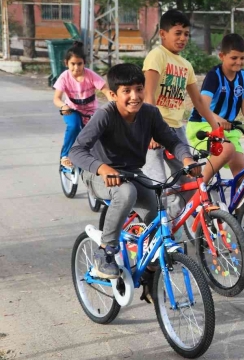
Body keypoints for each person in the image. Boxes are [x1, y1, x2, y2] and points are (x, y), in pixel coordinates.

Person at [69, 63, 200, 283]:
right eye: (126, 91)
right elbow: (76, 151)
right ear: (112, 94)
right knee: (126, 193)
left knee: (158, 213)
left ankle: (149, 276)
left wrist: (187, 158)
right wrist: (102, 168)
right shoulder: (105, 115)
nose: (135, 96)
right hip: (98, 173)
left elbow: (172, 141)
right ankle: (106, 251)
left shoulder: (150, 113)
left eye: (139, 89)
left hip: (131, 172)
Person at [141, 9, 219, 217]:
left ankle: (170, 230)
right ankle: (148, 235)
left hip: (176, 131)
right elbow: (148, 95)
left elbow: (199, 101)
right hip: (154, 129)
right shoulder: (157, 56)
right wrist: (149, 131)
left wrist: (215, 126)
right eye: (178, 33)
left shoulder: (186, 65)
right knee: (156, 187)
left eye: (186, 33)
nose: (183, 38)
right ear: (163, 34)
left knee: (191, 183)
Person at [186, 33, 244, 184]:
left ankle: (240, 207)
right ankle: (198, 187)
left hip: (227, 128)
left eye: (242, 58)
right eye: (234, 58)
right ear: (222, 56)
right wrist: (219, 120)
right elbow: (202, 108)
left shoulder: (243, 77)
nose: (239, 62)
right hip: (203, 125)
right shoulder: (214, 76)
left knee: (241, 175)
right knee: (226, 149)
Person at [52, 41, 111, 169]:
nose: (76, 68)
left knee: (100, 132)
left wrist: (113, 104)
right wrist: (63, 106)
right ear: (66, 63)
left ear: (84, 63)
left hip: (91, 112)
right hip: (72, 110)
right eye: (73, 64)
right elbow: (56, 98)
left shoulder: (91, 75)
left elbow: (106, 90)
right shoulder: (64, 77)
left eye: (80, 64)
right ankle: (65, 156)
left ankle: (100, 159)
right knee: (74, 126)